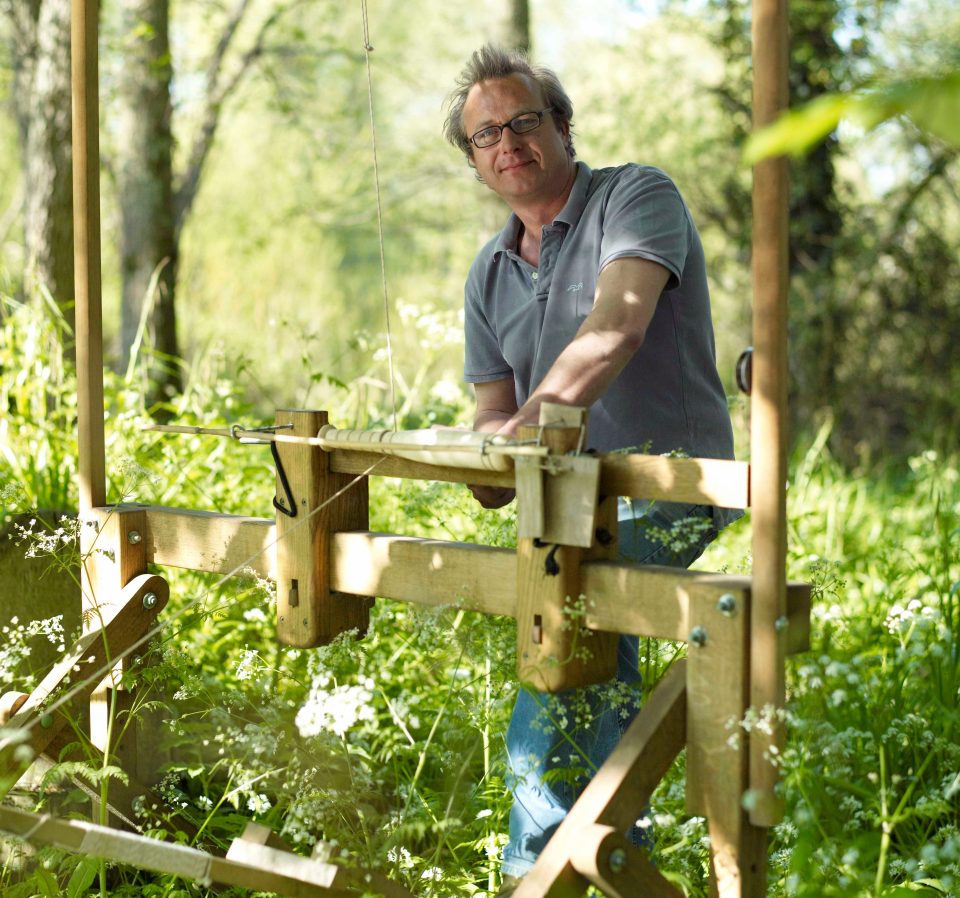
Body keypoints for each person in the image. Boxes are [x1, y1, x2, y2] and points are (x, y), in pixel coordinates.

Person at [443, 44, 740, 891]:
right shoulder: (485, 274)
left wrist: (516, 439)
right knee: (568, 642)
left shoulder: (635, 195)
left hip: (670, 487)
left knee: (561, 634)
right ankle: (611, 858)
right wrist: (484, 462)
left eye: (525, 120)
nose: (508, 142)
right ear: (473, 162)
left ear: (563, 127)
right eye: (486, 133)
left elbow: (617, 329)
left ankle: (536, 876)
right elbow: (493, 414)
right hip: (564, 507)